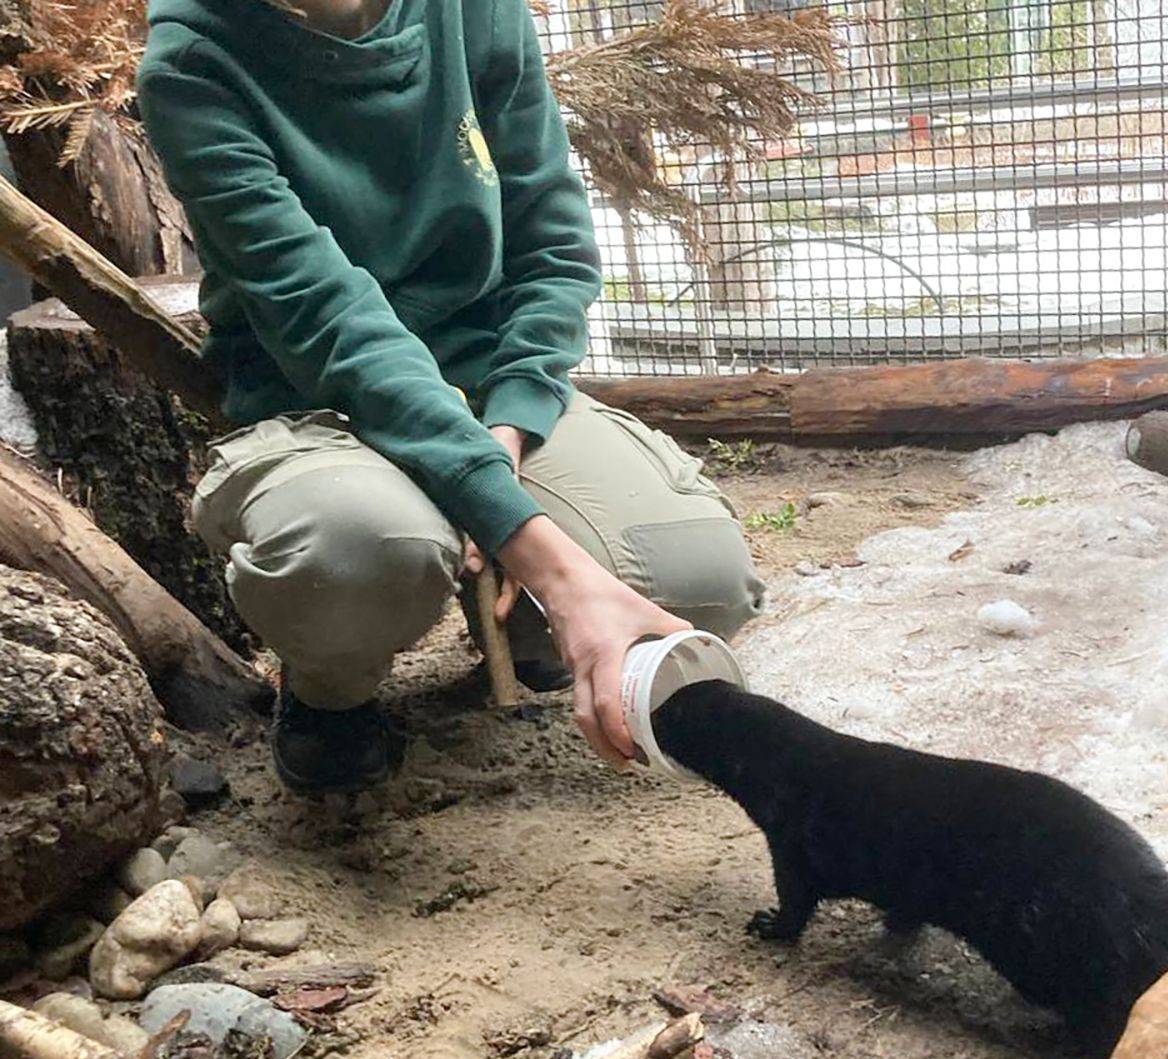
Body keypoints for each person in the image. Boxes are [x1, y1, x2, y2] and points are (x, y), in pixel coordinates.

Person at [137, 0, 765, 792]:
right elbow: (331, 321)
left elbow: (553, 237)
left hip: (486, 375)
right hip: (316, 396)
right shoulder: (193, 61)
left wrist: (514, 413)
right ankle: (331, 692)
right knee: (356, 554)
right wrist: (545, 556)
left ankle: (531, 637)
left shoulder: (478, 13)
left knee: (698, 582)